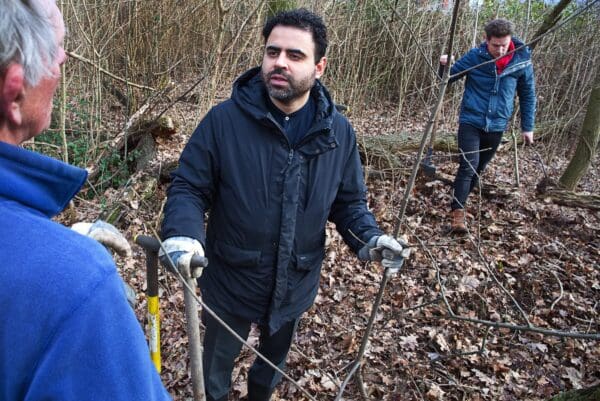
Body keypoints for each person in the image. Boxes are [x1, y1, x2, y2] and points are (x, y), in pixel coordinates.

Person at [160, 8, 410, 401]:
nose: (280, 62)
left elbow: (347, 203)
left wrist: (370, 238)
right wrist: (182, 235)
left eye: (295, 55)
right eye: (272, 51)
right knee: (214, 373)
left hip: (296, 281)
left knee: (271, 369)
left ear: (319, 66)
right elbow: (189, 187)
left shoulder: (337, 133)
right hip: (230, 280)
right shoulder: (223, 122)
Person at [0, 1, 172, 399]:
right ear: (15, 88)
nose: (63, 60)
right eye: (58, 50)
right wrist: (63, 270)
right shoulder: (77, 287)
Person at [440, 18, 536, 233]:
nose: (500, 50)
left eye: (504, 45)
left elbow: (528, 95)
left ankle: (459, 201)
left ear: (510, 40)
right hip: (471, 121)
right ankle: (458, 215)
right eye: (495, 45)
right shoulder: (476, 57)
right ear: (487, 40)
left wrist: (527, 127)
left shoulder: (521, 61)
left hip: (497, 125)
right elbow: (446, 80)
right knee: (468, 165)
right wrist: (444, 65)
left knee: (479, 169)